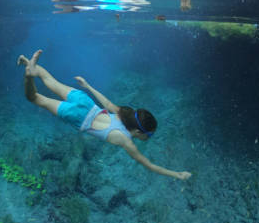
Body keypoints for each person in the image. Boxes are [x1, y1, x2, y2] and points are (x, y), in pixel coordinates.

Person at [18, 50, 192, 181]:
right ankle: (28, 75)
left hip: (86, 101)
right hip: (78, 116)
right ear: (139, 132)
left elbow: (106, 103)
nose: (149, 138)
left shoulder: (123, 113)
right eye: (149, 135)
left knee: (51, 81)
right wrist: (177, 175)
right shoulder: (126, 141)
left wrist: (87, 85)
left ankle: (30, 65)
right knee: (35, 98)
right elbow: (149, 165)